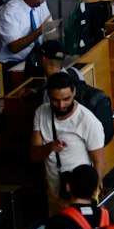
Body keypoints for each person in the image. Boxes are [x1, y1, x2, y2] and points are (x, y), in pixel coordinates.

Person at [32, 70, 108, 202]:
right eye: (55, 100)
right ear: (48, 95)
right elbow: (34, 155)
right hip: (54, 192)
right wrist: (50, 147)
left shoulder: (88, 121)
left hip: (80, 197)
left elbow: (100, 163)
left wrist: (92, 195)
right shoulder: (41, 112)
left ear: (74, 93)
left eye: (66, 99)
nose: (61, 105)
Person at [0, 0, 54, 73]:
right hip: (12, 63)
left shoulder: (39, 3)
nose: (44, 0)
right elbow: (14, 48)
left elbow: (49, 28)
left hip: (35, 56)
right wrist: (40, 31)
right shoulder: (8, 13)